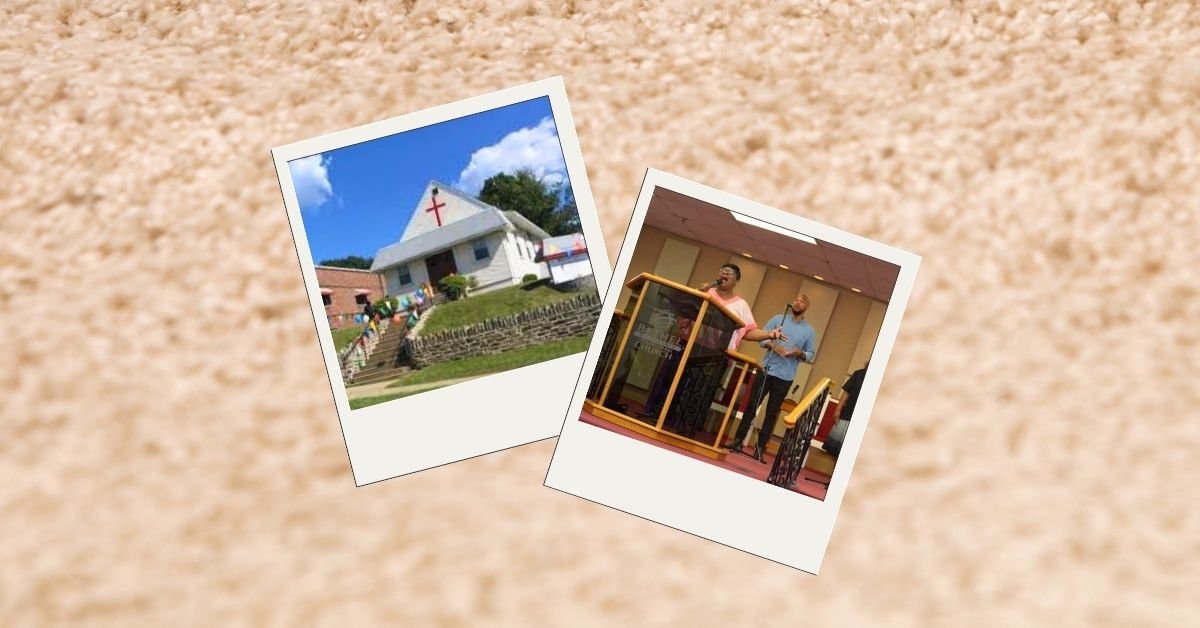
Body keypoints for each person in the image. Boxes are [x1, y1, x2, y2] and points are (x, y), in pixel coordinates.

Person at [636, 263, 786, 420]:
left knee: (695, 390)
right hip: (686, 344)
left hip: (714, 355)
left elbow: (748, 332)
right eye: (722, 270)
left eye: (729, 272)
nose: (724, 274)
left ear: (736, 280)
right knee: (668, 379)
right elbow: (682, 309)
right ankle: (653, 413)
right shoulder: (705, 292)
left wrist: (769, 334)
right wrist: (696, 295)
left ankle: (676, 422)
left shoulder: (741, 306)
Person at [726, 291, 817, 462]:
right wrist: (773, 347)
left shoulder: (809, 331)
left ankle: (760, 448)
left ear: (806, 307)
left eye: (802, 301)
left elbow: (811, 353)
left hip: (786, 376)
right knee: (752, 405)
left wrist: (799, 353)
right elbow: (761, 338)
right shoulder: (778, 319)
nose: (797, 302)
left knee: (772, 413)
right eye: (795, 299)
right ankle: (738, 441)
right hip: (766, 369)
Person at [823, 362, 868, 456]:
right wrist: (837, 409)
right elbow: (846, 392)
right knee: (832, 451)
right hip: (847, 414)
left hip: (865, 420)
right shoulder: (859, 374)